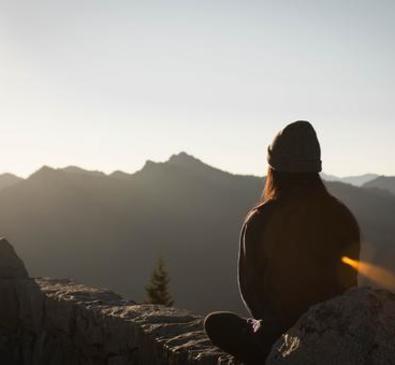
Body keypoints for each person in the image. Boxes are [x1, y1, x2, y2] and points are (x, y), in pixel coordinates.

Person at [204, 121, 361, 364]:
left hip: (278, 335)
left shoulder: (260, 219)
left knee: (215, 323)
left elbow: (251, 290)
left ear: (273, 169)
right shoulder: (342, 217)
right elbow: (349, 284)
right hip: (335, 330)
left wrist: (270, 324)